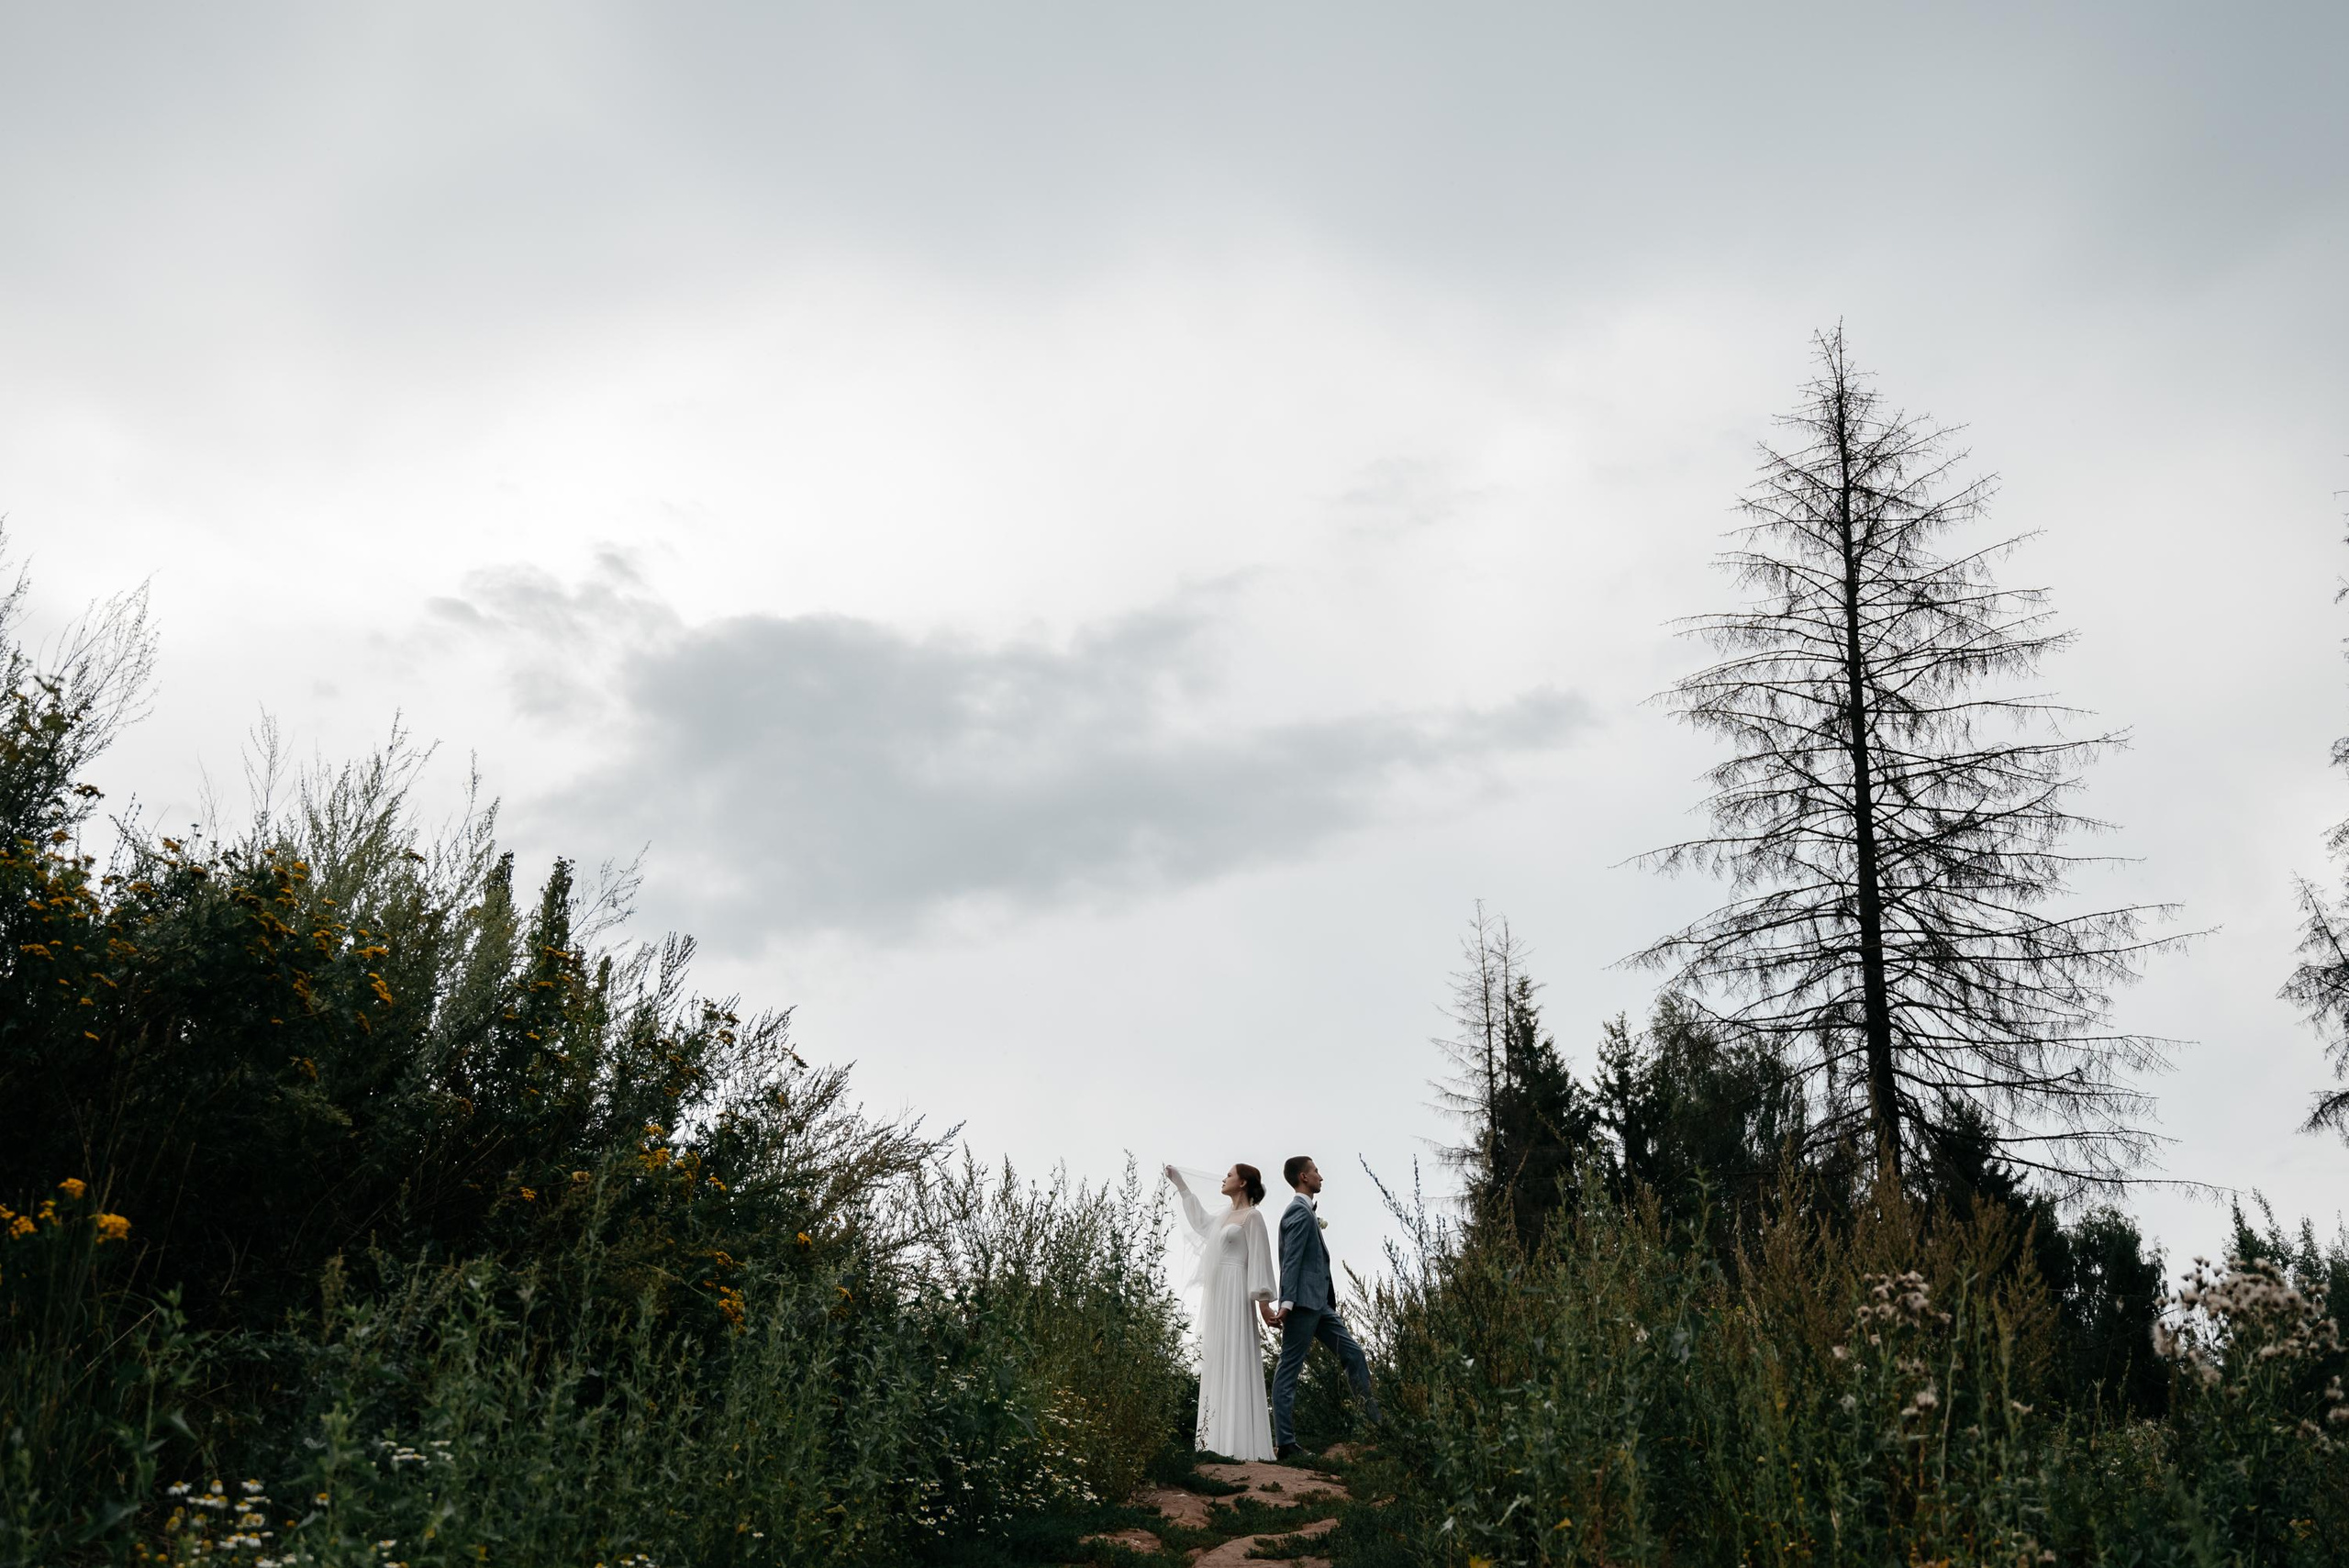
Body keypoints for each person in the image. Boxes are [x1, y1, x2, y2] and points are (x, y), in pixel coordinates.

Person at [1163, 1162, 1281, 1461]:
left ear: (1243, 1183)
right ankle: (1213, 1442)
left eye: (1229, 1175)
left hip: (1238, 1289)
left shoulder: (1253, 1217)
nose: (1224, 1178)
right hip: (1218, 1293)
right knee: (1218, 1357)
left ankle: (1241, 1444)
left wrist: (1264, 1303)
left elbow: (1260, 1260)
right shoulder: (1223, 1217)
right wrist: (1182, 1186)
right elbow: (1201, 1223)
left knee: (1237, 1355)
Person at [1269, 1154, 1379, 1459]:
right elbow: (1291, 1260)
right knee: (1289, 1368)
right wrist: (1287, 1303)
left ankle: (1375, 1427)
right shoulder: (1299, 1212)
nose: (1321, 1176)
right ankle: (1287, 1444)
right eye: (1316, 1171)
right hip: (1302, 1304)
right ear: (1303, 1177)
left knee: (1354, 1354)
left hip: (1320, 1305)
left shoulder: (1306, 1212)